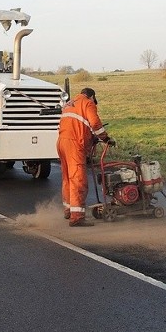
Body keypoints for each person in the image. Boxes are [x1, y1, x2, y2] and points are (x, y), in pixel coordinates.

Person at [57, 87, 114, 227]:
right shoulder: (88, 103)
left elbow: (77, 124)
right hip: (74, 144)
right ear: (92, 96)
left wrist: (89, 137)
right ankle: (77, 218)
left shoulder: (70, 103)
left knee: (68, 178)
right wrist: (105, 138)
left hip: (61, 142)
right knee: (78, 179)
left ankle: (69, 209)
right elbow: (95, 123)